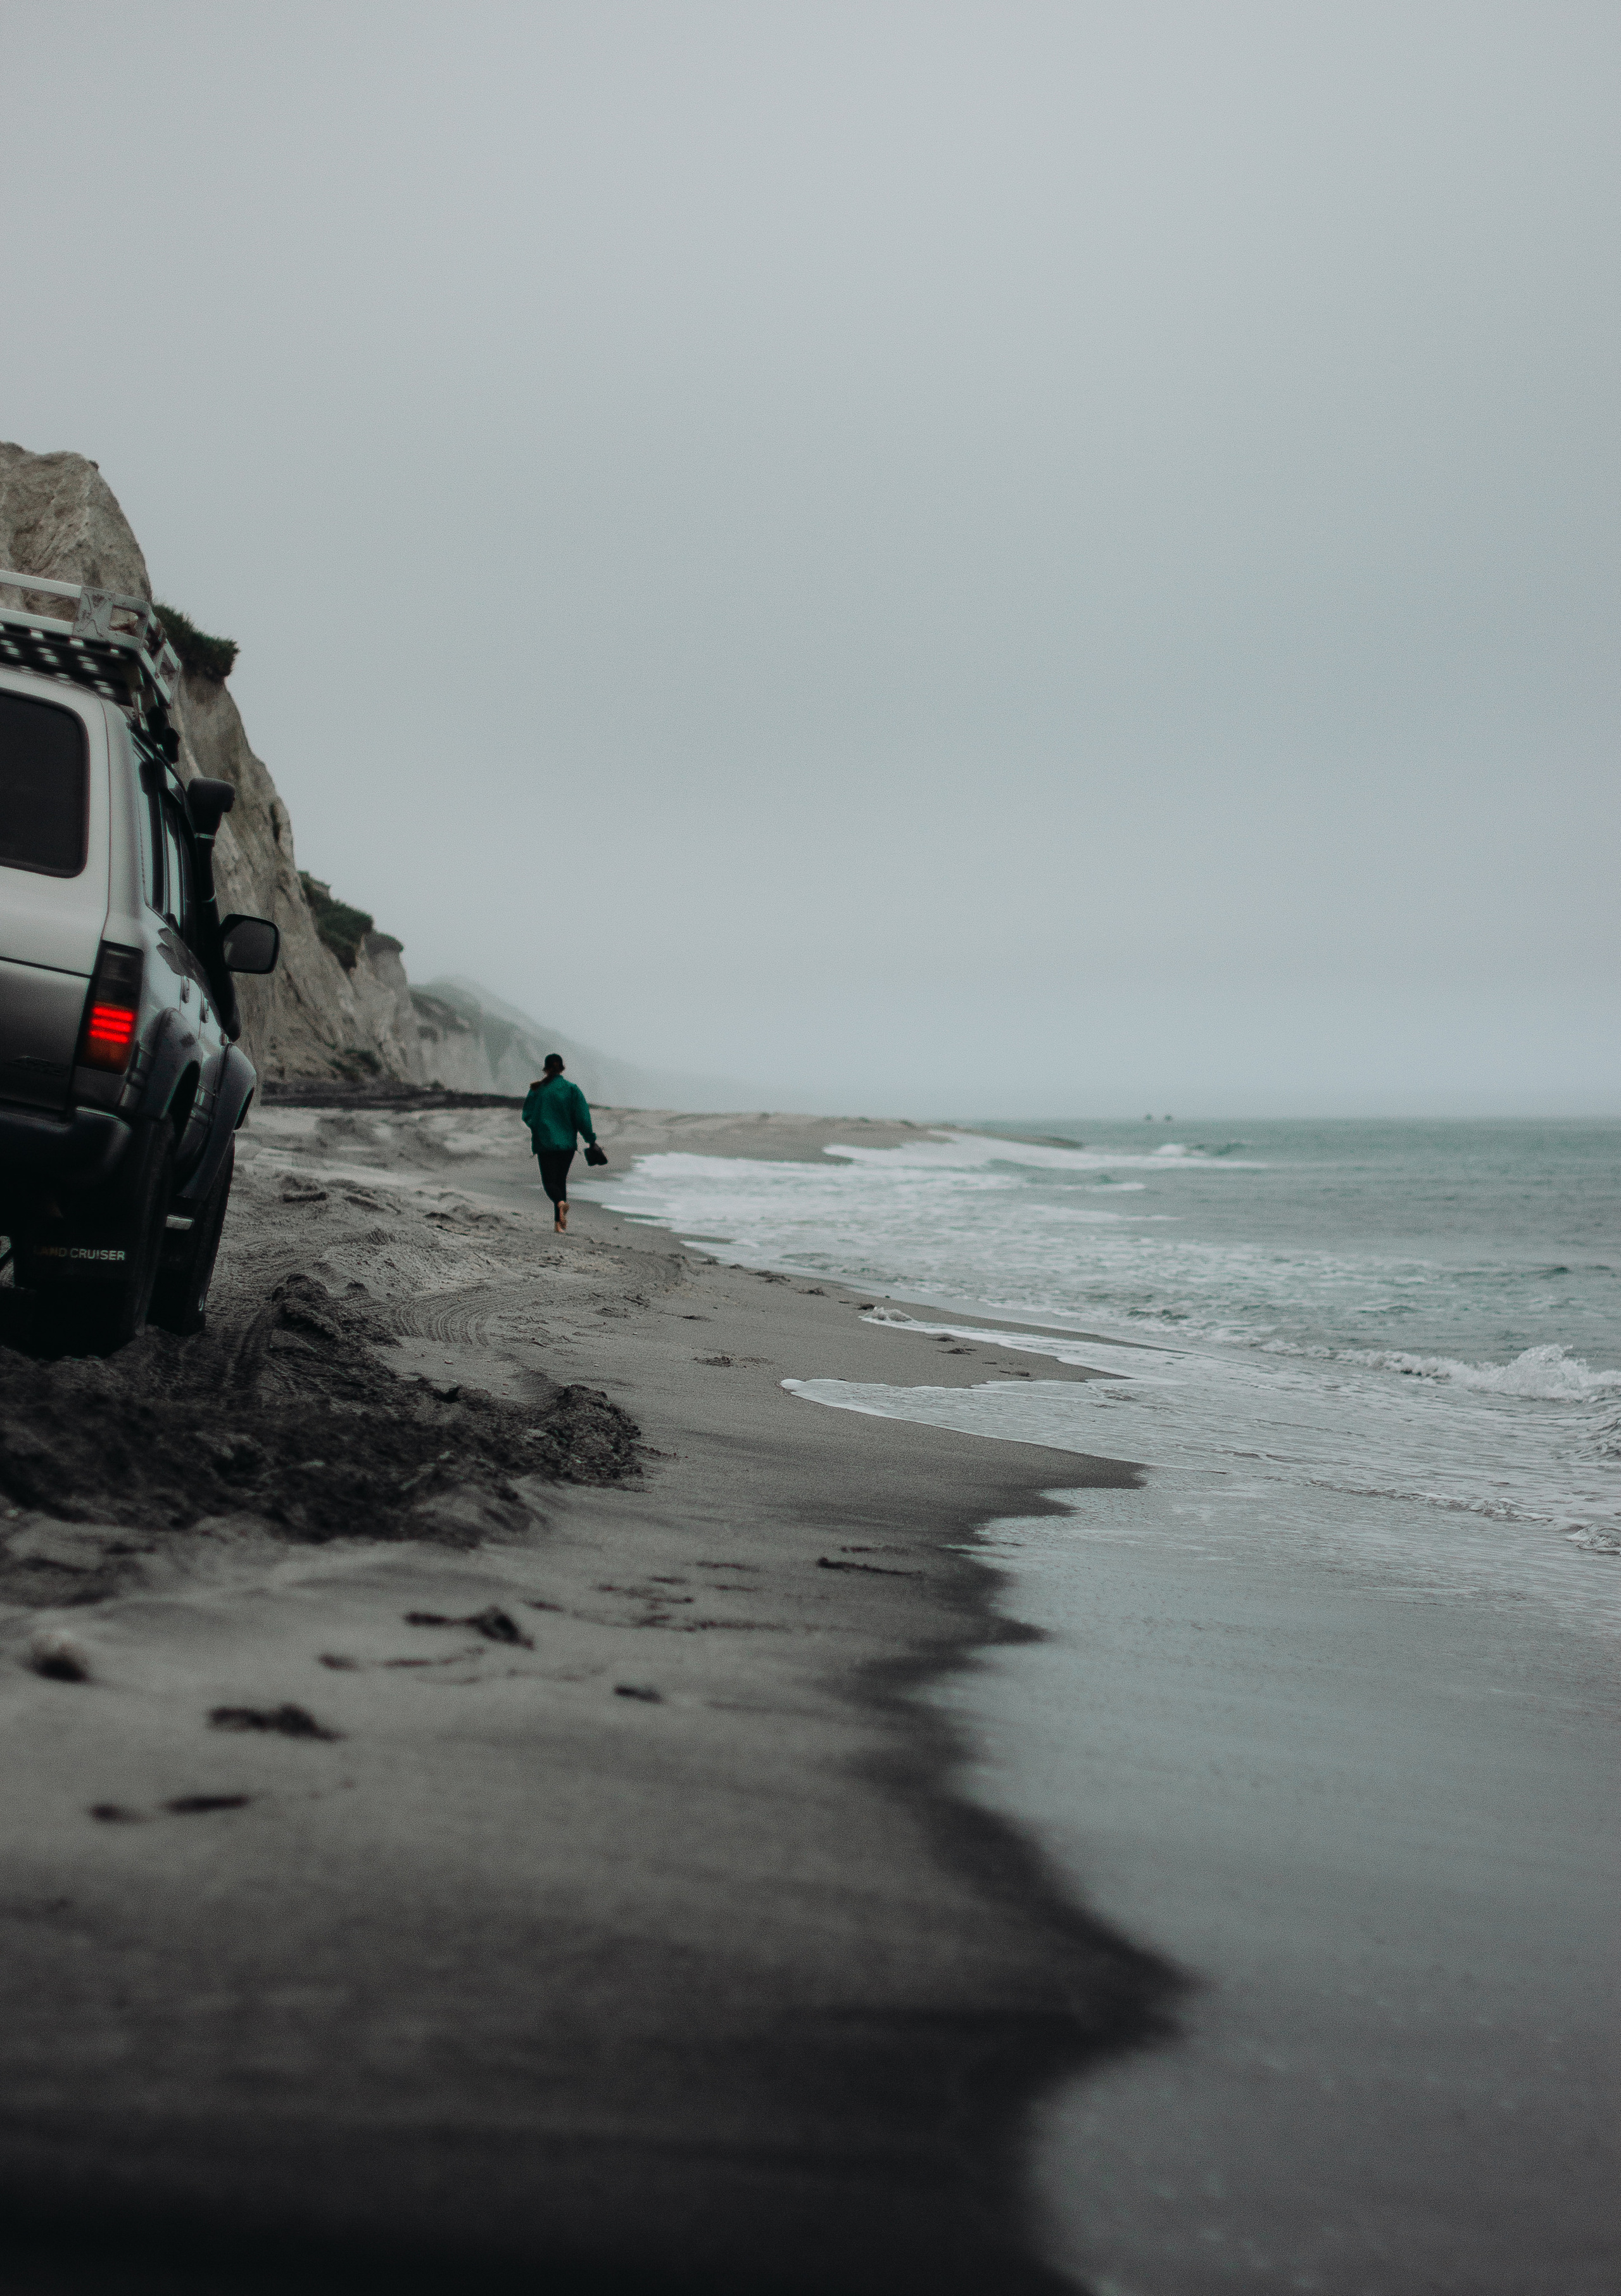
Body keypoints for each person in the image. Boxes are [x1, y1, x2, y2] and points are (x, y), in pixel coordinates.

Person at [520, 1055, 598, 1233]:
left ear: (545, 1069)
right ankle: (559, 1224)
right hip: (567, 1145)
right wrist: (591, 1140)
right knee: (560, 1180)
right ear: (562, 1068)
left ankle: (561, 1206)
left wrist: (539, 1127)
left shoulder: (537, 1089)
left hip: (545, 1143)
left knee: (549, 1182)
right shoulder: (572, 1089)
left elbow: (527, 1115)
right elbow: (583, 1118)